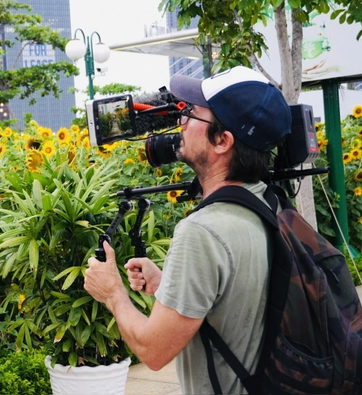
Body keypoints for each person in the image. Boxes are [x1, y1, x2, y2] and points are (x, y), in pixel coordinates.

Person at [84, 66, 292, 394]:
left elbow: (153, 351)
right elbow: (244, 296)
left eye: (192, 113)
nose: (181, 121)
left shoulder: (202, 232)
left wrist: (112, 292)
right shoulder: (271, 202)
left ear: (222, 140)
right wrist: (170, 285)